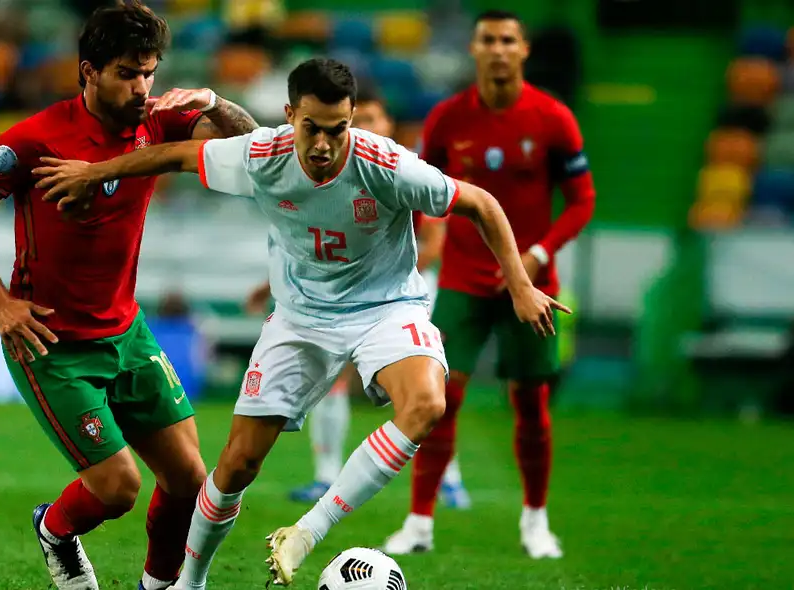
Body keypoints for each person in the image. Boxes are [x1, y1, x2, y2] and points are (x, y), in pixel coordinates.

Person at [32, 57, 569, 588]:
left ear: (353, 119)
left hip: (384, 308)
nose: (322, 144)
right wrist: (93, 172)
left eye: (337, 130)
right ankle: (189, 584)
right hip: (300, 318)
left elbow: (479, 201)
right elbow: (173, 156)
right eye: (310, 127)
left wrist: (521, 284)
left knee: (427, 403)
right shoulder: (262, 155)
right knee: (237, 465)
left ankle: (308, 532)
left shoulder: (386, 165)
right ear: (289, 115)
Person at [0, 3, 258, 589]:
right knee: (117, 489)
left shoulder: (159, 121)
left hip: (126, 332)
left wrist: (212, 101)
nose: (141, 87)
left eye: (148, 72)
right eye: (126, 74)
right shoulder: (36, 138)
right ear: (88, 70)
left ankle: (158, 586)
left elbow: (255, 148)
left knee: (190, 480)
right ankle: (56, 530)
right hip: (54, 345)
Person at [381, 10, 596, 560]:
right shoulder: (448, 119)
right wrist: (408, 252)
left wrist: (537, 254)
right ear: (473, 51)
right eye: (487, 40)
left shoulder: (553, 119)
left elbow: (582, 200)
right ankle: (420, 524)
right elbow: (416, 192)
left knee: (529, 401)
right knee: (440, 399)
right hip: (461, 281)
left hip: (534, 285)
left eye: (507, 40)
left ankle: (535, 522)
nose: (497, 49)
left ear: (523, 50)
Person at [244, 85, 471, 509]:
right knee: (334, 378)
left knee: (426, 389)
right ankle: (326, 475)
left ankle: (448, 477)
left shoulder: (400, 171)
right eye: (358, 121)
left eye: (371, 120)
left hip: (402, 294)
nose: (364, 129)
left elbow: (436, 240)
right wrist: (266, 285)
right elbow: (312, 245)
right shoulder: (329, 173)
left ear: (388, 126)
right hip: (343, 297)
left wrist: (381, 288)